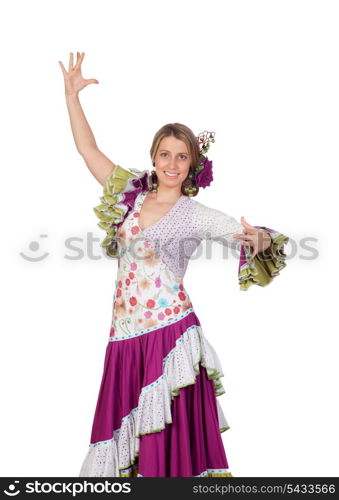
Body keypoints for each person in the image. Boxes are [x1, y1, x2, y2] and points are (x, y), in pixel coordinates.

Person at [59, 52, 289, 477]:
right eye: (164, 154)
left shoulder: (195, 214)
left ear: (192, 165)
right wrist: (72, 95)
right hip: (126, 335)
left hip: (170, 336)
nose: (171, 164)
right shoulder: (130, 194)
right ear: (154, 156)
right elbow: (86, 149)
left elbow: (245, 235)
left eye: (181, 157)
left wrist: (257, 236)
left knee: (171, 441)